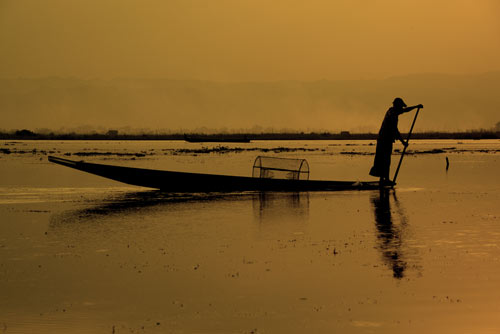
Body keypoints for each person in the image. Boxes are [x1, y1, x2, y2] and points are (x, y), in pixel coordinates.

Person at [369, 98, 423, 185]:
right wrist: (403, 142)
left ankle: (383, 179)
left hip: (386, 139)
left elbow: (405, 110)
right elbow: (395, 130)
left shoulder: (394, 112)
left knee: (385, 159)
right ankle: (384, 179)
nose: (401, 108)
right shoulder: (392, 113)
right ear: (397, 105)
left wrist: (416, 107)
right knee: (385, 160)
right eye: (400, 106)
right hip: (384, 140)